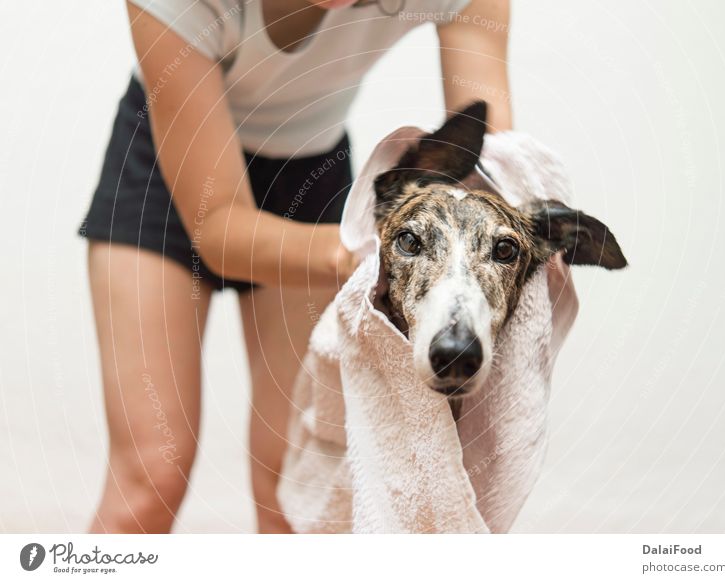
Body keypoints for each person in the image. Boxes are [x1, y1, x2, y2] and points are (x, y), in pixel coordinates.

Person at [80, 0, 513, 533]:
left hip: (312, 169)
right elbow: (219, 227)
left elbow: (500, 172)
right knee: (150, 478)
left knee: (294, 488)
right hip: (162, 172)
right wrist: (368, 251)